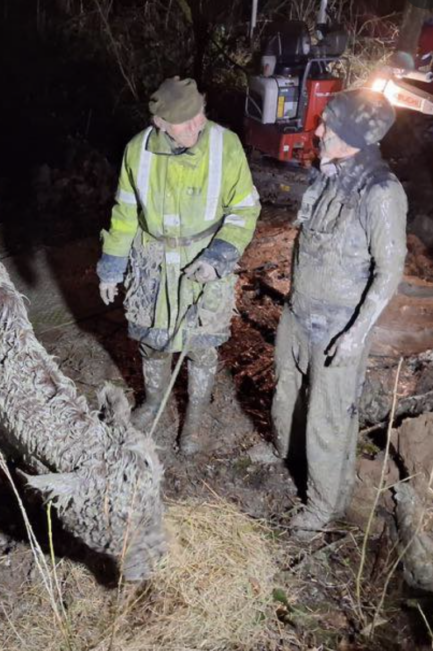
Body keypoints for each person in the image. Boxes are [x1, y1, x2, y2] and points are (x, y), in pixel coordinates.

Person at [97, 77, 261, 454]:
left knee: (201, 345)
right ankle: (155, 400)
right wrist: (112, 265)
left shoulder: (225, 145)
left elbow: (244, 209)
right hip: (153, 261)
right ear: (161, 124)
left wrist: (219, 256)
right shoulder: (136, 152)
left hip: (204, 256)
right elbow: (125, 213)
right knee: (152, 341)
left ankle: (196, 416)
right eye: (187, 121)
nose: (198, 125)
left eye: (201, 114)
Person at [271, 89, 407, 537]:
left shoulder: (382, 192)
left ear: (351, 137)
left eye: (328, 124)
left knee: (328, 418)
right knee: (287, 391)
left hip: (336, 326)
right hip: (299, 311)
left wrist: (355, 333)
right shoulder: (330, 174)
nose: (319, 130)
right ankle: (286, 453)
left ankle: (324, 505)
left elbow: (389, 271)